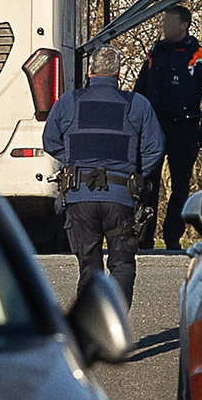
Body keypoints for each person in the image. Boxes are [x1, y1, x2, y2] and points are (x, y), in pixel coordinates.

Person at [43, 45, 164, 306]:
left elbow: (50, 140)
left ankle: (91, 334)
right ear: (119, 73)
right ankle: (114, 328)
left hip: (80, 198)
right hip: (121, 198)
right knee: (121, 264)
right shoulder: (137, 104)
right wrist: (134, 173)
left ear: (89, 71)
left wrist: (76, 161)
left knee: (89, 267)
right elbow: (156, 147)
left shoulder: (69, 102)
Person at [132, 6, 202, 247]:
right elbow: (140, 89)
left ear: (184, 25)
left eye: (170, 22)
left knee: (180, 184)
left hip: (185, 127)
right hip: (153, 127)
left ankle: (172, 237)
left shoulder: (199, 54)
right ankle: (145, 238)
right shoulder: (155, 52)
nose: (165, 27)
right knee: (147, 184)